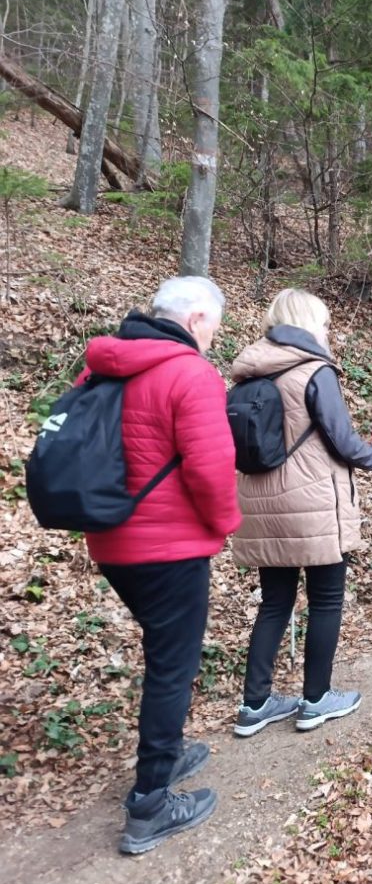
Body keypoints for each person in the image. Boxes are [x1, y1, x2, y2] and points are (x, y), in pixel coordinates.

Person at [81, 276, 240, 854]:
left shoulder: (103, 366)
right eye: (214, 325)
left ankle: (166, 754)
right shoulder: (190, 372)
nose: (214, 336)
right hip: (169, 545)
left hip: (111, 539)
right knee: (172, 666)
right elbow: (211, 464)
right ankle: (150, 804)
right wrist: (224, 524)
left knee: (162, 653)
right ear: (197, 318)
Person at [231, 289, 372, 738]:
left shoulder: (247, 375)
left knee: (275, 602)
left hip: (260, 506)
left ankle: (255, 705)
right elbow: (342, 440)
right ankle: (316, 699)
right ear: (306, 324)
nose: (327, 331)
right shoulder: (313, 371)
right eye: (323, 323)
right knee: (325, 600)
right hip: (312, 505)